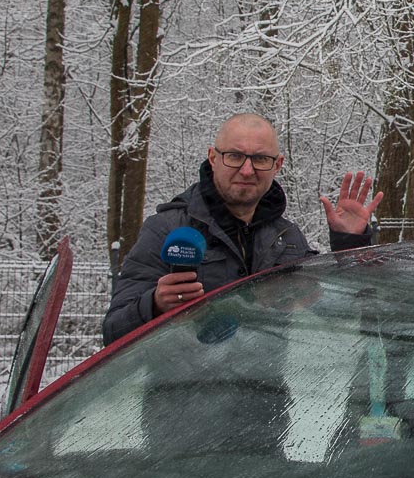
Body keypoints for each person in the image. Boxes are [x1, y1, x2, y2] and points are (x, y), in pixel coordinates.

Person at [102, 113, 383, 344]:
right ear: (213, 158)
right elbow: (113, 331)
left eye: (260, 159)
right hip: (179, 403)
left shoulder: (287, 239)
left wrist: (350, 244)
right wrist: (154, 304)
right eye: (234, 156)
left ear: (278, 165)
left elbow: (341, 315)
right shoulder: (167, 229)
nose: (247, 171)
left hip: (268, 404)